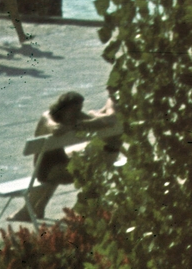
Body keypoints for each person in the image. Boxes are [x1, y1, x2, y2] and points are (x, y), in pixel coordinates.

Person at [9, 91, 118, 222]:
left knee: (84, 165)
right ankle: (34, 209)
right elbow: (56, 129)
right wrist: (79, 124)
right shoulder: (48, 117)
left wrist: (90, 117)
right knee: (84, 168)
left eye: (80, 109)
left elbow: (104, 122)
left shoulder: (74, 117)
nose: (77, 113)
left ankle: (36, 208)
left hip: (58, 168)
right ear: (64, 108)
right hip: (45, 169)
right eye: (74, 110)